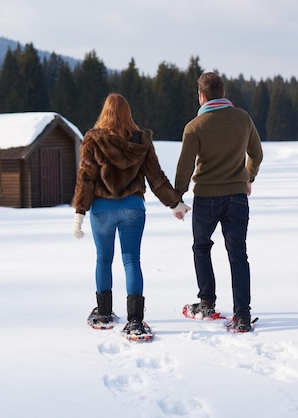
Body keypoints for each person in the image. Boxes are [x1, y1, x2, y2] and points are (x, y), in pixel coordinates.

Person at [72, 93, 190, 340]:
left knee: (104, 259)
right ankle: (135, 320)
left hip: (102, 210)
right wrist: (175, 203)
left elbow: (86, 178)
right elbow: (156, 176)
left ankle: (104, 313)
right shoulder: (141, 140)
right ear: (128, 113)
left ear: (105, 112)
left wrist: (79, 213)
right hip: (133, 208)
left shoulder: (93, 140)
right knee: (131, 261)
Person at [174, 72, 263, 332]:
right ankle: (242, 316)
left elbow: (184, 167)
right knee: (238, 255)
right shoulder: (243, 118)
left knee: (201, 247)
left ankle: (207, 303)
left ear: (201, 96)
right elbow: (256, 154)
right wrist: (248, 178)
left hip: (206, 198)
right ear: (223, 93)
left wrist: (177, 200)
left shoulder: (194, 126)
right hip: (237, 197)